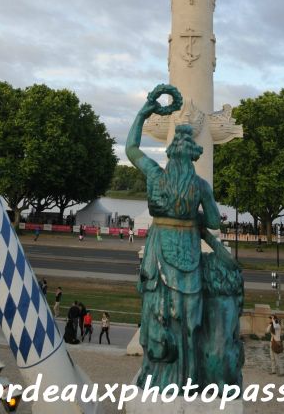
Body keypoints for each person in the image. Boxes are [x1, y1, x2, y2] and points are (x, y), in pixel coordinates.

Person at [126, 84, 220, 388]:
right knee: (190, 323)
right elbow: (216, 222)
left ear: (170, 152)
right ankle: (190, 375)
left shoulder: (156, 174)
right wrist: (193, 217)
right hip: (189, 252)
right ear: (192, 155)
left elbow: (130, 149)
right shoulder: (201, 186)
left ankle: (155, 374)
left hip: (158, 252)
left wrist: (143, 114)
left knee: (156, 312)